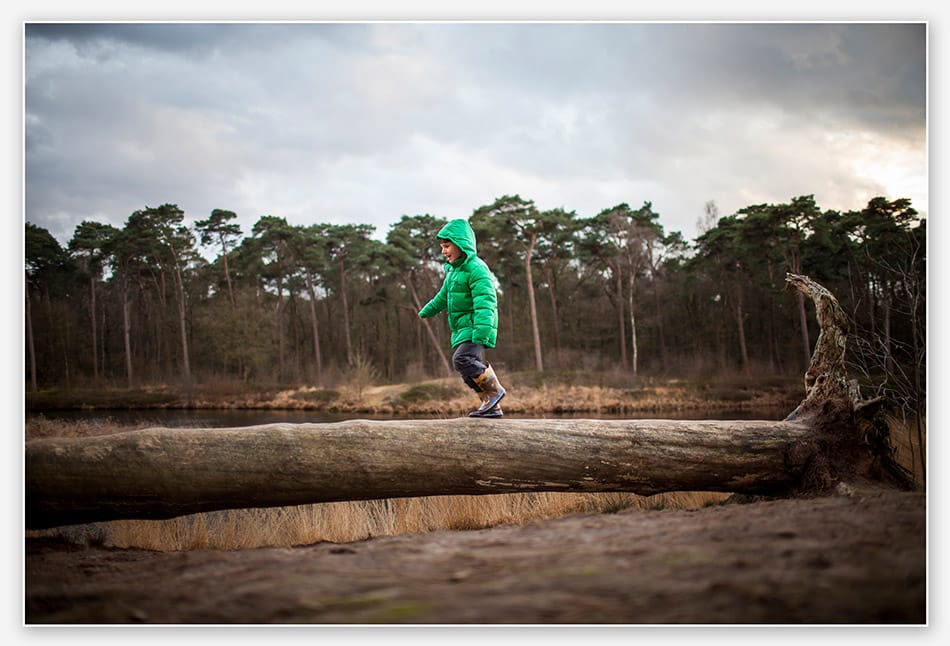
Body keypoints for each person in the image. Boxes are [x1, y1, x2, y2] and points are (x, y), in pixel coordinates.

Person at [418, 218, 506, 418]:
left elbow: (486, 301)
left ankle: (495, 391)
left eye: (447, 246)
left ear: (461, 244)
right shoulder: (453, 272)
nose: (443, 251)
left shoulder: (476, 268)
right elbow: (442, 297)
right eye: (442, 247)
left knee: (462, 359)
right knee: (465, 368)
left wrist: (482, 330)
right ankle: (492, 405)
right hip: (463, 328)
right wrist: (427, 310)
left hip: (476, 326)